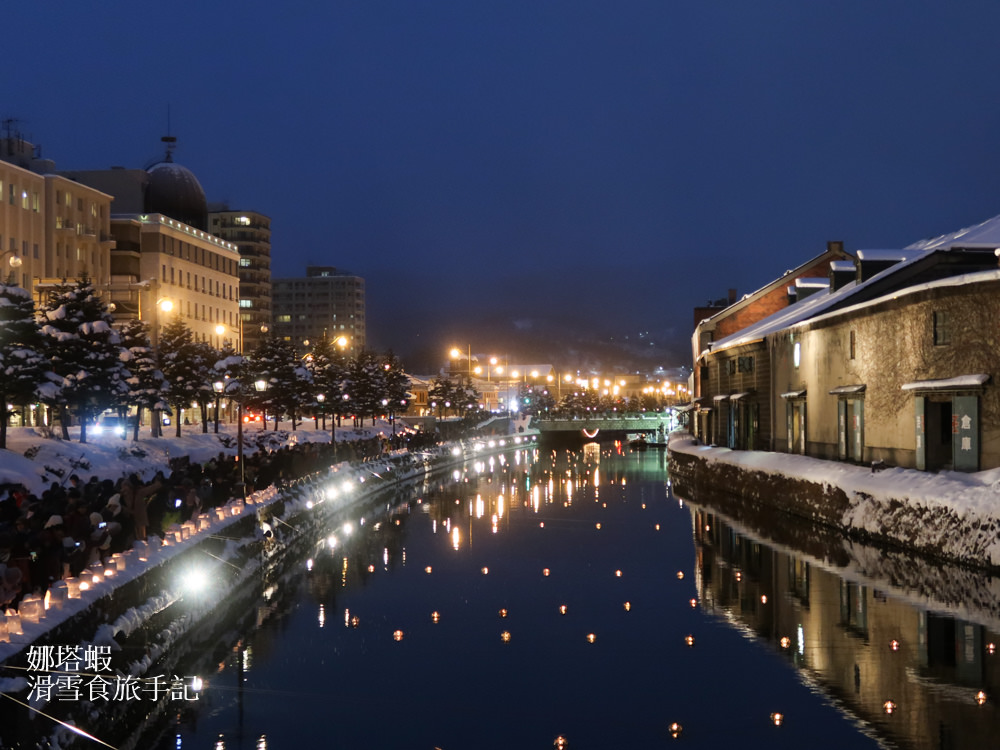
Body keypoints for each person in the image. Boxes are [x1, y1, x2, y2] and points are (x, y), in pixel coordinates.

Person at [119, 474, 162, 542]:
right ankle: (143, 549)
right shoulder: (139, 492)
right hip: (140, 517)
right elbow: (153, 488)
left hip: (129, 518)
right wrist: (158, 482)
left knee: (132, 538)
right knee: (142, 539)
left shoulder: (121, 493)